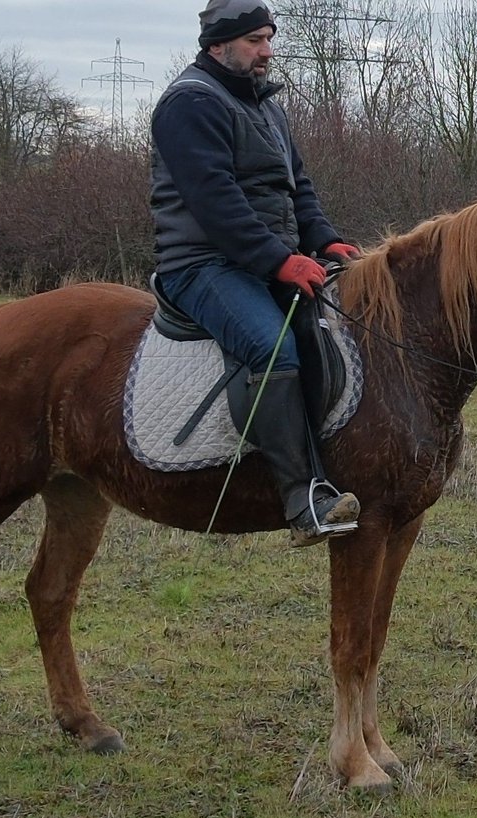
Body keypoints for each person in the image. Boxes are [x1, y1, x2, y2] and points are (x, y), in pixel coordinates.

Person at [150, 0, 362, 547]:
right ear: (218, 45)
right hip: (202, 265)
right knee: (273, 349)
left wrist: (323, 239)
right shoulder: (189, 104)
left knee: (328, 334)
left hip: (266, 258)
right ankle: (301, 500)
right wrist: (279, 260)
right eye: (254, 41)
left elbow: (299, 191)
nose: (267, 51)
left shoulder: (267, 107)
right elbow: (215, 202)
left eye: (268, 38)